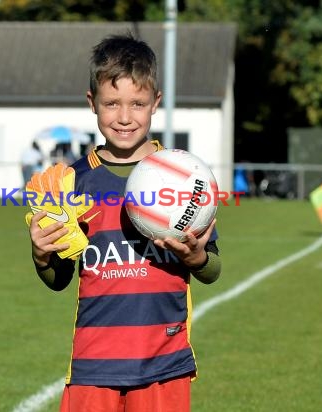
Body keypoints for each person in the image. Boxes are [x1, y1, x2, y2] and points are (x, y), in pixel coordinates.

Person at [27, 33, 222, 412]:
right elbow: (60, 279)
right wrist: (41, 256)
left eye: (138, 103)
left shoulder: (187, 178)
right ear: (92, 103)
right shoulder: (71, 182)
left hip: (163, 361)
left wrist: (198, 258)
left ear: (156, 104)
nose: (124, 116)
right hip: (93, 360)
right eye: (111, 103)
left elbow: (212, 269)